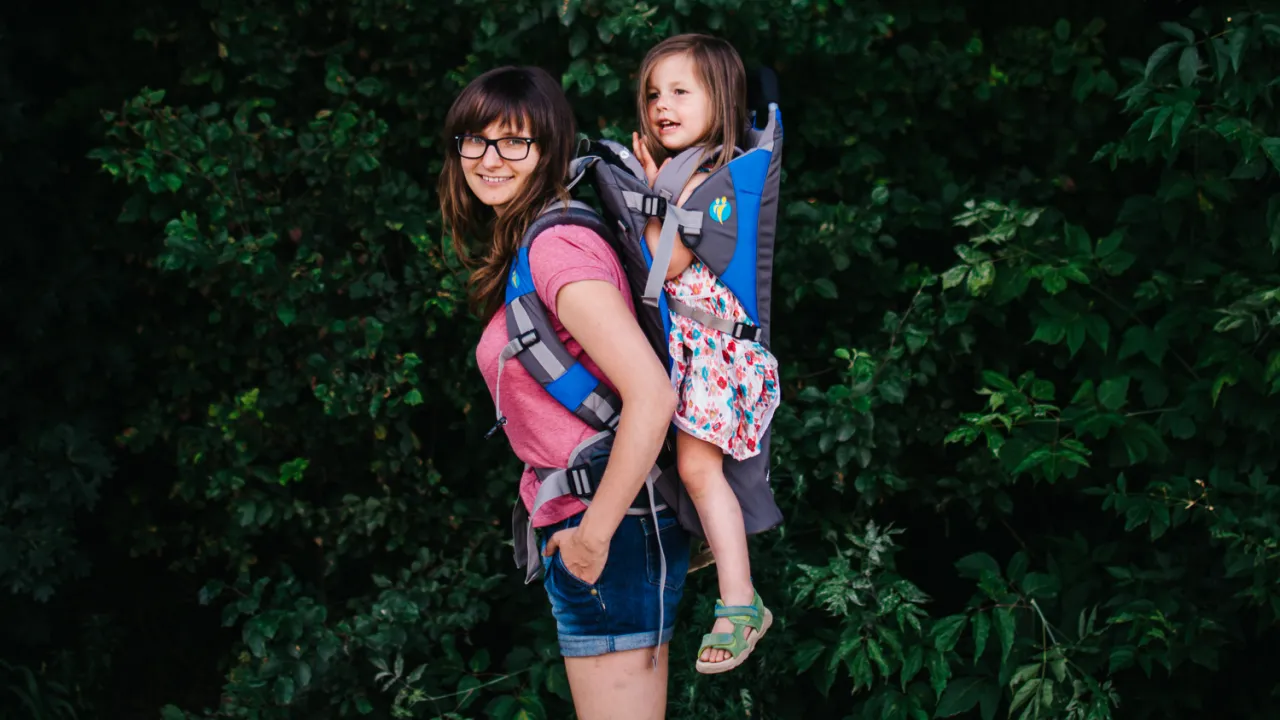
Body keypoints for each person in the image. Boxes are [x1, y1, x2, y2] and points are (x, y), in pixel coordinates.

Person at [439, 65, 691, 719]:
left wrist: (592, 537)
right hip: (602, 525)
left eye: (513, 141)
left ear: (548, 148)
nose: (489, 158)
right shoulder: (536, 243)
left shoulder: (560, 249)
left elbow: (652, 395)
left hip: (609, 530)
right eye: (475, 139)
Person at [629, 34, 780, 674]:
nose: (662, 105)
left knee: (697, 470)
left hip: (718, 354)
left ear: (720, 100)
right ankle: (714, 541)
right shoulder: (694, 165)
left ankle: (742, 604)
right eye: (654, 94)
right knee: (690, 468)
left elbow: (671, 263)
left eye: (680, 91)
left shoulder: (703, 171)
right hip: (704, 350)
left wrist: (644, 190)